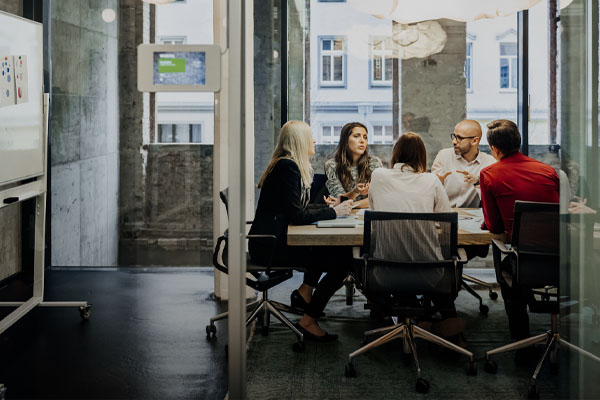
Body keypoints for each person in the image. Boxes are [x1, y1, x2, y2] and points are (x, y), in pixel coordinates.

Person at [248, 120, 353, 342]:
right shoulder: (288, 167)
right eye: (310, 136)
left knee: (332, 254)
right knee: (343, 261)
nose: (314, 140)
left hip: (272, 241)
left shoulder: (285, 164)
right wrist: (334, 213)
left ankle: (305, 294)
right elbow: (298, 216)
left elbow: (297, 208)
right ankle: (308, 320)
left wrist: (330, 208)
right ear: (299, 141)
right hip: (272, 247)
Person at [368, 132, 466, 346]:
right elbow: (446, 222)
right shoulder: (431, 180)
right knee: (443, 258)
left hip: (385, 273)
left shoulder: (378, 175)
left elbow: (374, 211)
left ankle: (382, 316)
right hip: (430, 274)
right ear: (422, 156)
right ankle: (441, 320)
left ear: (396, 154)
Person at [479, 119, 559, 344]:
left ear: (494, 149)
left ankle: (521, 342)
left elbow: (494, 227)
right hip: (560, 260)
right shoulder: (549, 171)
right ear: (519, 141)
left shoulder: (489, 174)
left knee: (502, 255)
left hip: (523, 263)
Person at [431, 119, 496, 208]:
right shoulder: (443, 156)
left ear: (475, 141)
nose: (454, 141)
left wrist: (478, 182)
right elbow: (430, 195)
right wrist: (436, 183)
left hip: (473, 217)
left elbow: (492, 199)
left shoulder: (490, 163)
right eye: (454, 136)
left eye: (460, 138)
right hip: (446, 214)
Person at [324, 122, 383, 209]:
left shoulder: (374, 162)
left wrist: (351, 204)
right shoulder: (332, 165)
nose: (362, 141)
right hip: (344, 215)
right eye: (356, 136)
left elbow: (379, 198)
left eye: (365, 137)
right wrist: (355, 192)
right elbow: (340, 199)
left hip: (368, 213)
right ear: (346, 141)